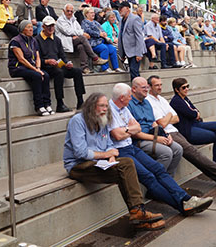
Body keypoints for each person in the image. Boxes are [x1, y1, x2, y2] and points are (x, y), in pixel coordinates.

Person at [63, 93, 166, 231]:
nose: (105, 109)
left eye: (106, 106)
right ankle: (139, 214)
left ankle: (137, 212)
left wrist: (111, 156)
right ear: (91, 106)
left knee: (127, 164)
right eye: (101, 106)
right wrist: (106, 154)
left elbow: (110, 145)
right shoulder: (77, 120)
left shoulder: (103, 120)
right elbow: (80, 153)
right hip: (78, 165)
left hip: (99, 163)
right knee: (124, 169)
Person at [108, 83, 214, 216]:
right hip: (120, 151)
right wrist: (130, 129)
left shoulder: (124, 108)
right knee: (149, 177)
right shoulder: (110, 110)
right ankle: (182, 205)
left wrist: (127, 130)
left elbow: (137, 127)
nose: (131, 99)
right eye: (129, 96)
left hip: (131, 147)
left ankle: (187, 199)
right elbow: (117, 135)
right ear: (122, 98)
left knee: (158, 169)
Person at [145, 76, 216, 188]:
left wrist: (168, 117)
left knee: (213, 135)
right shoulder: (149, 101)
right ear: (149, 87)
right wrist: (169, 115)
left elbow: (176, 118)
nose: (159, 87)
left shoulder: (162, 99)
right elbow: (163, 123)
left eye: (161, 85)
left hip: (175, 130)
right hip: (169, 133)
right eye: (156, 85)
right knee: (193, 152)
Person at [37, 16, 85, 112]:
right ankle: (60, 103)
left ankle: (80, 100)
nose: (51, 28)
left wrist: (67, 62)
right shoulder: (37, 40)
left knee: (77, 71)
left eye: (52, 26)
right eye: (48, 26)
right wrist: (47, 61)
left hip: (57, 65)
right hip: (46, 66)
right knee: (59, 72)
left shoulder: (57, 39)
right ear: (43, 27)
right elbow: (37, 59)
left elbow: (62, 55)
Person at [9, 20, 52, 116]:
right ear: (22, 29)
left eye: (32, 27)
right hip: (18, 68)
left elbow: (37, 56)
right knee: (36, 76)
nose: (31, 29)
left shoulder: (33, 40)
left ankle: (47, 104)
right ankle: (39, 106)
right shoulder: (15, 41)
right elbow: (21, 59)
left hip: (31, 67)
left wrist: (39, 68)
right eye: (28, 27)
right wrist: (36, 70)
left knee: (46, 75)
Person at [55, 3, 106, 74]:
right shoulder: (61, 20)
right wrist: (79, 34)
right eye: (68, 11)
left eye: (71, 11)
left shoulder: (73, 20)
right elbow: (68, 31)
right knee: (82, 37)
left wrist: (77, 34)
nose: (70, 13)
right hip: (64, 42)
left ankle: (84, 68)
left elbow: (80, 29)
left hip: (74, 41)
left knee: (81, 46)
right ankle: (95, 58)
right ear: (63, 11)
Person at [81, 7, 121, 73]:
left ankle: (116, 67)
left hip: (100, 41)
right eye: (91, 13)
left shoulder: (96, 22)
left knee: (112, 49)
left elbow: (102, 30)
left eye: (93, 12)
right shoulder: (84, 22)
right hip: (92, 42)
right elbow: (88, 31)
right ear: (86, 14)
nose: (93, 14)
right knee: (104, 48)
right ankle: (105, 68)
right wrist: (99, 34)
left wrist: (104, 33)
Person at [118, 1, 146, 80]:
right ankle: (137, 89)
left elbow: (139, 36)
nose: (119, 10)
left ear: (127, 8)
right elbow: (121, 37)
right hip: (127, 51)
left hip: (135, 51)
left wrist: (139, 53)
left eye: (121, 8)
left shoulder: (135, 18)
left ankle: (139, 90)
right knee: (133, 72)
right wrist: (122, 54)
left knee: (134, 72)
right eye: (118, 8)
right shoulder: (121, 20)